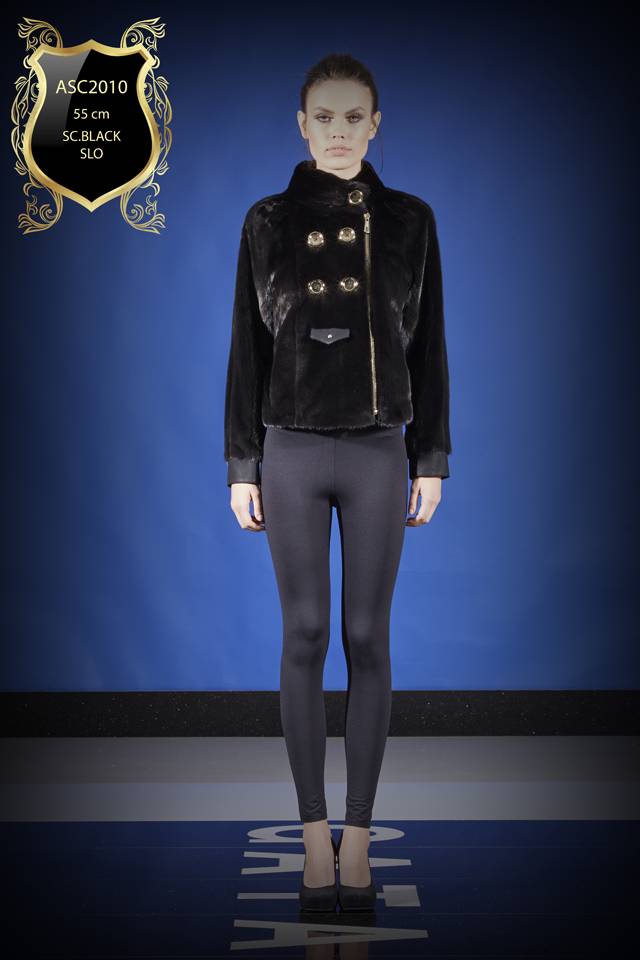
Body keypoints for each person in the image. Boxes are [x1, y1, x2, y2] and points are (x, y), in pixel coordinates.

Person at [224, 53, 451, 910]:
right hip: (289, 447)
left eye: (356, 117)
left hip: (377, 449)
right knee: (305, 633)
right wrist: (241, 463)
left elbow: (431, 347)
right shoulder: (266, 221)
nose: (340, 133)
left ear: (376, 123)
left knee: (366, 636)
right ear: (302, 123)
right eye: (324, 117)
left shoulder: (411, 221)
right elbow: (245, 348)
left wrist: (432, 456)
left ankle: (359, 836)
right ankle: (312, 834)